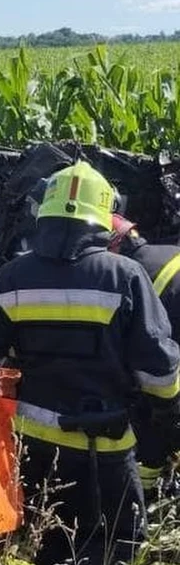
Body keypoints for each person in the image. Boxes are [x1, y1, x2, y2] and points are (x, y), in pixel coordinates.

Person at [0, 162, 180, 565]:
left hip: (34, 436)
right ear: (103, 214)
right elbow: (157, 366)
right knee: (122, 532)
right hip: (105, 438)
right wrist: (166, 413)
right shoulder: (125, 276)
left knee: (54, 532)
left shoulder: (14, 276)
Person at [108, 213, 180, 499]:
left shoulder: (130, 273)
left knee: (152, 413)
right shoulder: (171, 253)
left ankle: (142, 496)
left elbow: (145, 346)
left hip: (169, 361)